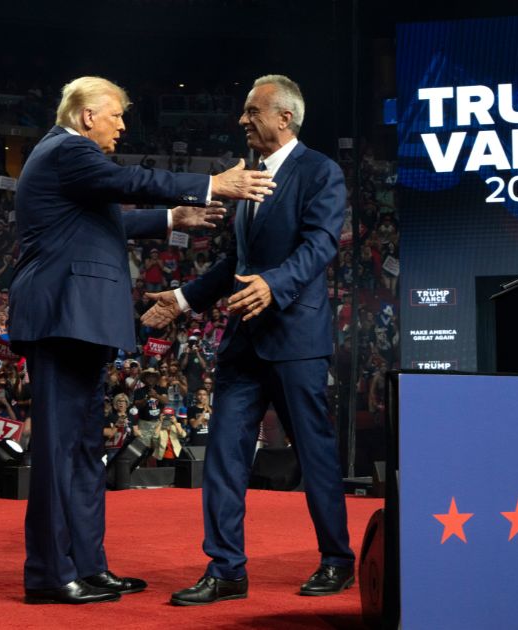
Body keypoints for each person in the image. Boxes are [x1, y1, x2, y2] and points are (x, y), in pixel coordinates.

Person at [5, 75, 274, 605]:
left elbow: (106, 222)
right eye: (115, 116)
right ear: (86, 116)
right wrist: (210, 184)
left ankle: (87, 565)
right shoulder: (66, 152)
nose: (122, 126)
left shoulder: (74, 167)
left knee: (85, 452)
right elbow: (131, 181)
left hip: (83, 321)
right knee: (60, 453)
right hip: (62, 317)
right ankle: (49, 575)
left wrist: (175, 217)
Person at [144, 75, 355, 605]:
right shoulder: (250, 177)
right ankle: (227, 569)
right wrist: (184, 299)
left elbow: (320, 245)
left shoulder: (320, 172)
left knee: (316, 455)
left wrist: (275, 284)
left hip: (296, 340)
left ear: (284, 117)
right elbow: (235, 263)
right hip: (242, 343)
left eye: (251, 111)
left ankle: (337, 560)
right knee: (223, 455)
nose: (241, 120)